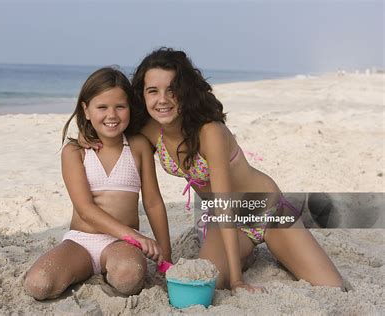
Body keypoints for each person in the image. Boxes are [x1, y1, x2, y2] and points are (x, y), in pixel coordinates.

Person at [84, 48, 344, 293]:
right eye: (153, 91)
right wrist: (86, 138)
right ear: (142, 95)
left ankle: (280, 238)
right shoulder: (152, 130)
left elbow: (224, 203)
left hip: (266, 211)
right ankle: (247, 253)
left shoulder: (210, 133)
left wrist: (237, 281)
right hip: (224, 222)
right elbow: (113, 127)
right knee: (204, 282)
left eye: (172, 90)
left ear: (185, 92)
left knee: (332, 287)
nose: (162, 99)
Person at [24, 67, 171, 300]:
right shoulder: (75, 151)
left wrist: (166, 255)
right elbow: (85, 209)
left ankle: (109, 269)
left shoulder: (139, 147)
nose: (111, 115)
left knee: (128, 277)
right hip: (81, 241)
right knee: (38, 285)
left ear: (130, 108)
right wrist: (136, 238)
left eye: (120, 107)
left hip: (120, 245)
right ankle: (84, 268)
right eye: (102, 107)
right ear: (86, 110)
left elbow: (153, 202)